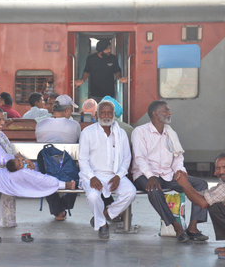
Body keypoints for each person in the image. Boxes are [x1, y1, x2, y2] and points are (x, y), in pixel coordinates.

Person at [0, 107, 76, 225]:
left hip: (4, 171)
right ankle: (63, 185)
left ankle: (60, 189)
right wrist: (22, 162)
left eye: (3, 119)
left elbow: (11, 154)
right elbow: (3, 159)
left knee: (36, 168)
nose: (2, 122)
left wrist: (25, 161)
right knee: (24, 173)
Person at [131, 100, 208, 242]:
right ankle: (176, 226)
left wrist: (180, 171)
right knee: (154, 189)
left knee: (201, 185)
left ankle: (192, 227)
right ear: (155, 114)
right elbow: (140, 158)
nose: (169, 113)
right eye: (165, 110)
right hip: (144, 174)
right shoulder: (140, 132)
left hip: (167, 174)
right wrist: (150, 176)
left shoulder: (171, 133)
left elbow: (178, 157)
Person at [79, 100, 136, 239]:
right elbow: (83, 159)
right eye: (103, 112)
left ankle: (104, 215)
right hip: (92, 175)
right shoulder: (87, 132)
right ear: (97, 114)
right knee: (93, 196)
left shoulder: (120, 133)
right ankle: (103, 225)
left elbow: (126, 158)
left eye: (109, 113)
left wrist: (118, 176)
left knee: (130, 192)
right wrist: (91, 177)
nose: (106, 116)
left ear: (114, 115)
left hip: (115, 175)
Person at [35, 94, 81, 221]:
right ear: (67, 110)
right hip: (66, 169)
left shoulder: (40, 124)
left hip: (45, 168)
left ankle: (58, 210)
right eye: (71, 109)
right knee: (76, 173)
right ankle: (64, 206)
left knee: (47, 174)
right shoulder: (74, 125)